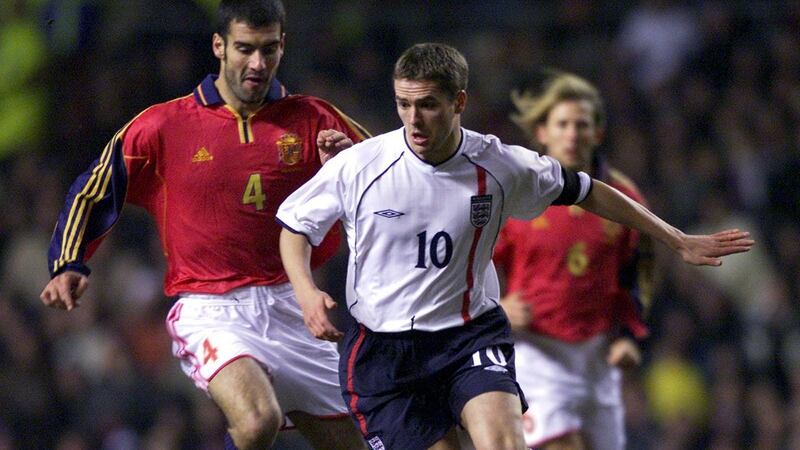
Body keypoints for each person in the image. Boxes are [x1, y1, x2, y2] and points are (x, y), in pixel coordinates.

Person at [276, 43, 753, 450]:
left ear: (459, 101)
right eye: (404, 104)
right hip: (386, 352)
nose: (414, 120)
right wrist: (305, 291)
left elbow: (588, 189)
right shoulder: (361, 164)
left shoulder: (498, 164)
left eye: (428, 105)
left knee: (504, 442)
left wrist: (676, 238)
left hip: (468, 338)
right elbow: (295, 227)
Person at [39, 1, 369, 449]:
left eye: (269, 49)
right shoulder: (163, 125)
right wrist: (68, 260)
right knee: (256, 422)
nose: (258, 63)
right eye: (244, 49)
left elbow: (391, 174)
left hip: (295, 309)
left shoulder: (315, 119)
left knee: (358, 443)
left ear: (282, 46)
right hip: (211, 308)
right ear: (219, 45)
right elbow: (93, 189)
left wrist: (347, 166)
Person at [494, 71, 653, 450]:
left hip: (597, 354)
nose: (572, 133)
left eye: (581, 124)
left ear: (597, 133)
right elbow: (473, 261)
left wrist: (631, 335)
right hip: (535, 349)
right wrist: (495, 306)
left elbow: (639, 272)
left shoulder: (624, 198)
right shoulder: (518, 196)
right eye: (562, 124)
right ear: (542, 132)